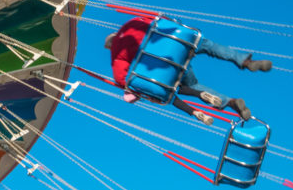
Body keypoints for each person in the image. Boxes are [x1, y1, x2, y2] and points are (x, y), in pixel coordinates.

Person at [106, 17, 270, 126]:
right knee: (207, 45)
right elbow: (158, 20)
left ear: (111, 45)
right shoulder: (132, 23)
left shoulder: (117, 57)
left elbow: (123, 80)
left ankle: (229, 102)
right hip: (177, 48)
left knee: (185, 87)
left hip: (166, 71)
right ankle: (243, 60)